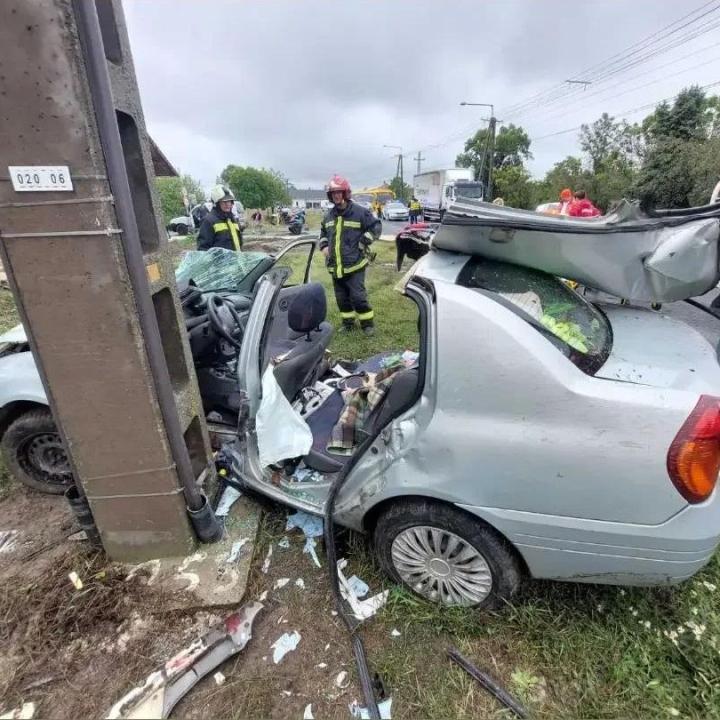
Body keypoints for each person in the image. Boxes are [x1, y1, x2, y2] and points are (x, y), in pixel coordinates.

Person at [319, 175, 381, 336]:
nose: (336, 195)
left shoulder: (360, 212)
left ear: (346, 193)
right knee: (342, 299)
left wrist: (364, 241)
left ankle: (367, 324)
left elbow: (376, 226)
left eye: (339, 192)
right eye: (333, 193)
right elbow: (323, 233)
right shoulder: (328, 216)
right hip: (335, 266)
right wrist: (324, 246)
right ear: (330, 196)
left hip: (355, 264)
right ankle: (348, 323)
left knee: (358, 297)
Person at [197, 185, 243, 251]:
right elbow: (203, 249)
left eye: (230, 201)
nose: (228, 204)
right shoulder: (208, 221)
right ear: (217, 203)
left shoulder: (232, 219)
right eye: (224, 202)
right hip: (219, 261)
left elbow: (239, 244)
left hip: (235, 260)